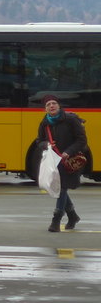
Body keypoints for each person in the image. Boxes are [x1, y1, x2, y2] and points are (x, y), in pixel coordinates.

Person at [38, 94, 88, 232]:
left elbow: (82, 140)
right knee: (61, 188)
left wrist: (68, 151)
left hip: (70, 160)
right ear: (45, 109)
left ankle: (56, 220)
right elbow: (39, 141)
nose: (51, 106)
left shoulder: (71, 119)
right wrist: (46, 144)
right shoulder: (45, 123)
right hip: (54, 161)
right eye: (48, 105)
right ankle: (72, 216)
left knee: (62, 188)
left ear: (59, 106)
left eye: (54, 103)